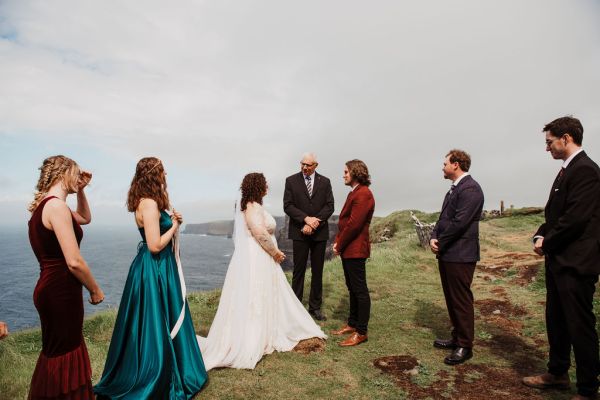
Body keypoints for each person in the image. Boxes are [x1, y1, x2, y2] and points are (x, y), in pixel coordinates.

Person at [94, 157, 207, 399]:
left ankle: (173, 362)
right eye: (163, 172)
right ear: (154, 176)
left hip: (157, 267)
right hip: (154, 268)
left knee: (159, 317)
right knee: (156, 321)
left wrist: (173, 224)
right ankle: (157, 373)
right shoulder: (149, 204)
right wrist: (175, 225)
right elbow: (155, 245)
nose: (166, 175)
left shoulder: (150, 202)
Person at [198, 173, 326, 370]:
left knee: (265, 292)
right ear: (258, 186)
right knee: (255, 292)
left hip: (260, 255)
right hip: (257, 256)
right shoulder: (250, 206)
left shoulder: (253, 205)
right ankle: (252, 337)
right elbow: (258, 232)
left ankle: (266, 332)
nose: (267, 187)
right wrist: (275, 252)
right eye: (265, 184)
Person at [522, 116, 600, 400]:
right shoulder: (566, 171)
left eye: (549, 142)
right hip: (559, 261)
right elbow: (554, 214)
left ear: (566, 138)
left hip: (576, 263)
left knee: (579, 325)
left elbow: (576, 219)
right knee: (556, 320)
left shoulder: (587, 171)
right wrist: (540, 234)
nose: (547, 148)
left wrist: (548, 241)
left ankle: (589, 389)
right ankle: (557, 373)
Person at [27, 155, 104, 400]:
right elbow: (74, 261)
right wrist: (94, 289)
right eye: (76, 173)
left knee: (57, 350)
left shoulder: (48, 206)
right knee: (64, 352)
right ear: (63, 173)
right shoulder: (57, 208)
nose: (80, 178)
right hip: (60, 291)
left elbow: (85, 218)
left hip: (51, 289)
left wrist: (81, 191)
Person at [429, 149, 484, 365]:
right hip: (449, 253)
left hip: (461, 254)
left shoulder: (470, 188)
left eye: (445, 163)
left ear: (456, 164)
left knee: (461, 299)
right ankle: (456, 336)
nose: (442, 167)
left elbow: (460, 223)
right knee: (451, 298)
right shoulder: (454, 189)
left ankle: (465, 346)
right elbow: (444, 219)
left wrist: (441, 241)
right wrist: (434, 236)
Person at [283, 153, 334, 321]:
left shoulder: (325, 182)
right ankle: (295, 308)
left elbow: (330, 206)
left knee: (318, 271)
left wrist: (314, 222)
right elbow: (288, 206)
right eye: (302, 164)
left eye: (308, 165)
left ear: (316, 165)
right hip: (299, 232)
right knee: (298, 271)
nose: (305, 167)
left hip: (319, 233)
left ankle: (315, 308)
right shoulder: (291, 181)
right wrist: (306, 219)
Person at [331, 160, 375, 347]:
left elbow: (354, 225)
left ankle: (361, 331)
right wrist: (339, 243)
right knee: (352, 287)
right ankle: (352, 323)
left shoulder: (363, 194)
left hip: (355, 249)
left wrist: (339, 244)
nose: (344, 175)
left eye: (346, 172)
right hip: (349, 248)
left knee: (359, 289)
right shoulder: (355, 192)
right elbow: (346, 223)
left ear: (356, 173)